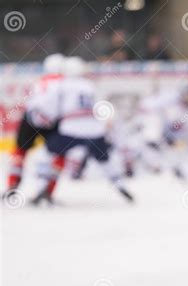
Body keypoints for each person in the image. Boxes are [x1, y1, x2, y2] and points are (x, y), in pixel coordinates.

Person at [32, 56, 133, 205]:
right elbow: (102, 107)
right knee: (104, 160)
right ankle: (120, 185)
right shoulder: (90, 85)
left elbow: (50, 108)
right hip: (94, 130)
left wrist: (42, 119)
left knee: (45, 155)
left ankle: (42, 189)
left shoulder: (62, 85)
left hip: (71, 129)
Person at [3, 53, 64, 197]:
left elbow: (32, 101)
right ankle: (47, 190)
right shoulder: (65, 82)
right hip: (53, 122)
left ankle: (12, 184)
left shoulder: (40, 81)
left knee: (19, 152)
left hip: (31, 119)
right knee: (59, 154)